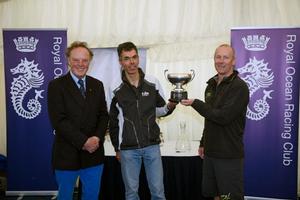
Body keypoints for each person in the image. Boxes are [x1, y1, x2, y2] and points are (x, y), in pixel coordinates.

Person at [109, 41, 177, 200]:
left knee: (158, 193)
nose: (131, 62)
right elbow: (113, 121)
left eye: (134, 57)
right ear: (120, 61)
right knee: (131, 194)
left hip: (152, 146)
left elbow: (160, 111)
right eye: (126, 58)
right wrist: (116, 148)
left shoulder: (152, 82)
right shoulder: (114, 86)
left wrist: (170, 107)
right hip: (127, 149)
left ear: (138, 58)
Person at [181, 44, 249, 200]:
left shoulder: (239, 87)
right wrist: (203, 142)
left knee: (229, 197)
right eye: (218, 57)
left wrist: (195, 103)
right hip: (211, 153)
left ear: (233, 61)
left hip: (228, 155)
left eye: (226, 57)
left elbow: (223, 117)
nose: (221, 61)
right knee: (215, 195)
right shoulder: (211, 85)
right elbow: (210, 118)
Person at [47, 41, 109, 200]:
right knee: (65, 196)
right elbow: (59, 121)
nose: (80, 64)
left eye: (85, 60)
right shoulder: (56, 86)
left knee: (91, 196)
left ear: (89, 61)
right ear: (68, 60)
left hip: (94, 154)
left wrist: (96, 138)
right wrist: (84, 142)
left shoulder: (97, 85)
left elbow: (103, 115)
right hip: (67, 154)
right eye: (76, 60)